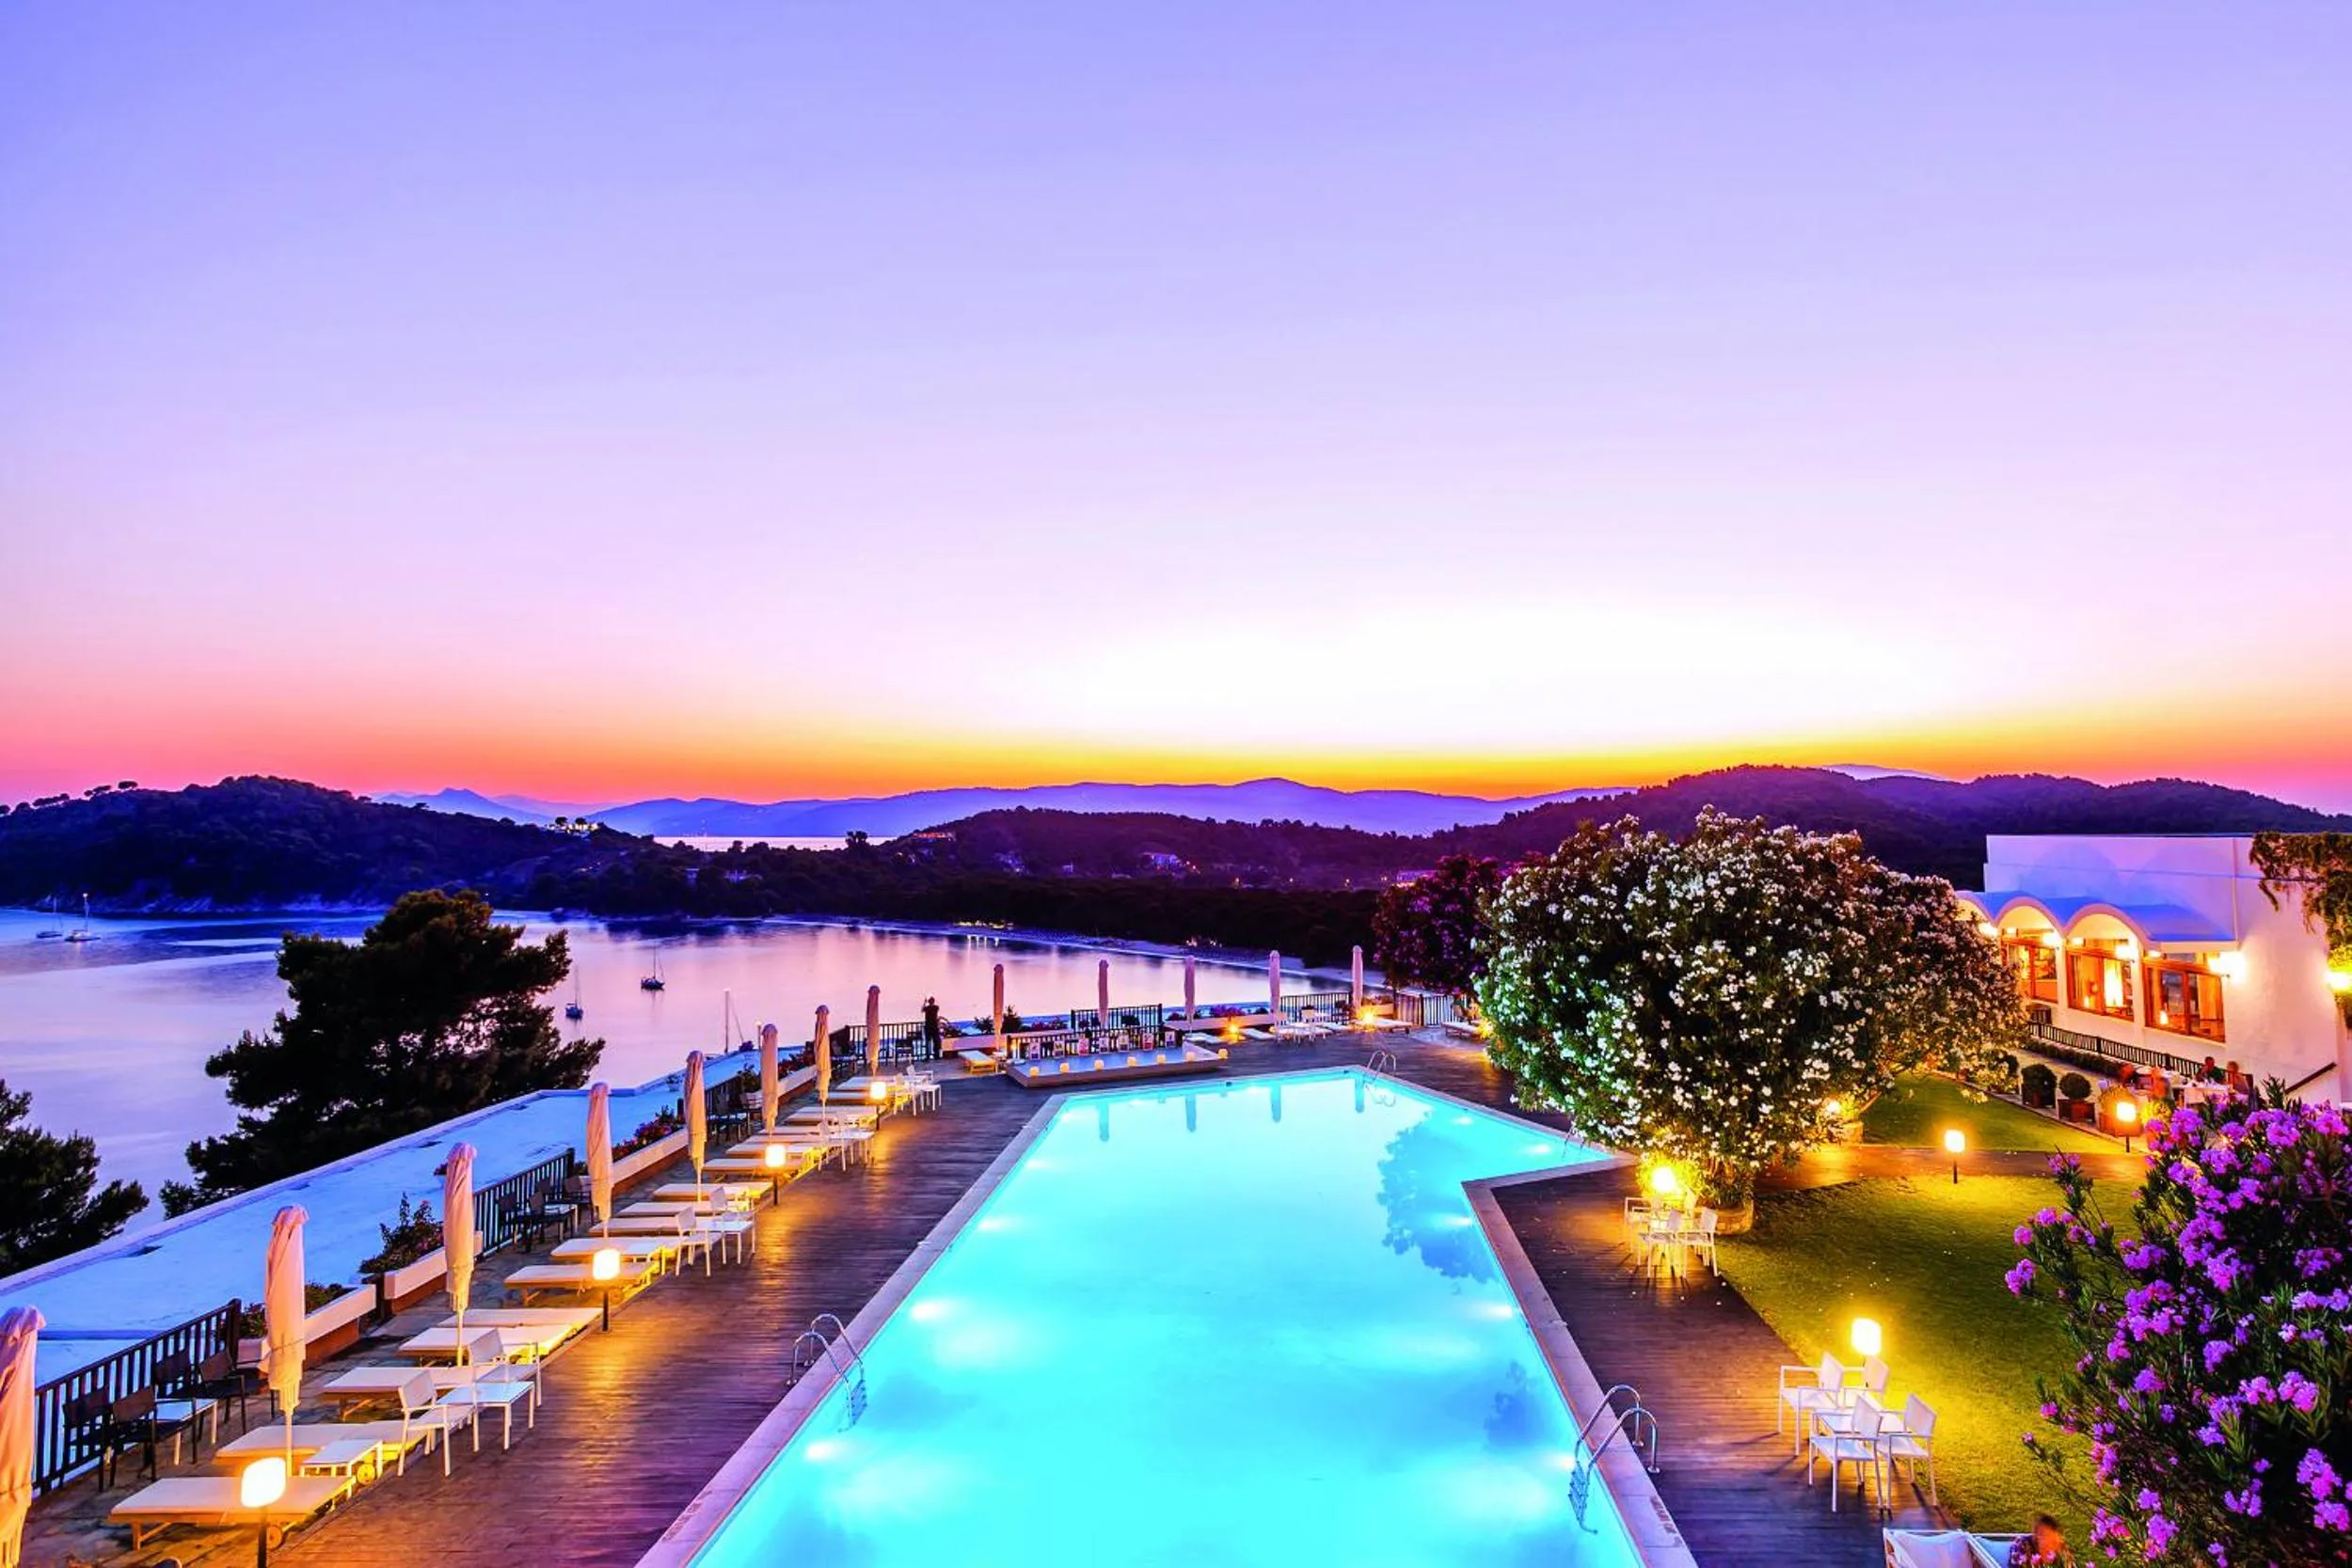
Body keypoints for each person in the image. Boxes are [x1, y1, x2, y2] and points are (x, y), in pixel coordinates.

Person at [2009, 1514, 2074, 1566]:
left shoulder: (2061, 1547)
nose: (2052, 1549)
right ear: (2037, 1536)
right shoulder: (2021, 1544)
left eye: (2054, 1542)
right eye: (2043, 1536)